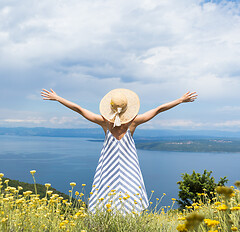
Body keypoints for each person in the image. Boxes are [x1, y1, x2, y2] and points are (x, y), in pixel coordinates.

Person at [41, 88, 197, 215]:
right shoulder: (133, 122)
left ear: (110, 107)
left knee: (105, 196)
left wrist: (58, 98)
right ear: (128, 108)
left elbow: (80, 109)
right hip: (129, 169)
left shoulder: (105, 122)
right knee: (131, 197)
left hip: (108, 168)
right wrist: (180, 100)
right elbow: (158, 110)